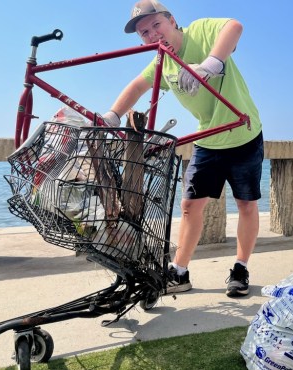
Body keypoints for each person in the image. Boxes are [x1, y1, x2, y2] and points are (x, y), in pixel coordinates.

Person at [102, 0, 263, 297]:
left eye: (156, 25)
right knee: (190, 207)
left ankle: (240, 269)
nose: (152, 35)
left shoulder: (199, 32)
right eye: (144, 33)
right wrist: (111, 116)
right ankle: (180, 272)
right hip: (208, 138)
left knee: (246, 204)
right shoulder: (162, 62)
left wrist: (211, 64)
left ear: (172, 20)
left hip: (244, 133)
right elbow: (137, 86)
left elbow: (234, 26)